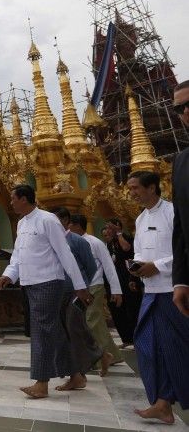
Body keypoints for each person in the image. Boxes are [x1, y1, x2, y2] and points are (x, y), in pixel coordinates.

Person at [0, 185, 92, 400]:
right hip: (30, 283)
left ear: (24, 199)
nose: (11, 202)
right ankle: (76, 375)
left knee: (41, 332)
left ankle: (41, 382)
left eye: (13, 198)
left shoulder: (48, 220)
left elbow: (64, 253)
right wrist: (9, 275)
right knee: (53, 330)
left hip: (48, 281)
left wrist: (79, 284)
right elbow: (18, 255)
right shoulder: (22, 223)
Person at [127, 170, 189, 424]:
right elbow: (140, 253)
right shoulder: (140, 219)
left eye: (135, 188)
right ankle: (162, 402)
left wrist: (159, 266)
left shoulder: (173, 212)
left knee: (177, 347)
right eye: (130, 188)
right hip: (151, 292)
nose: (131, 193)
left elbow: (184, 249)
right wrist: (137, 267)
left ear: (152, 187)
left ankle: (165, 401)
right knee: (147, 345)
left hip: (173, 291)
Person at [51, 207, 103, 391]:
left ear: (65, 220)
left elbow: (90, 266)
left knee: (73, 328)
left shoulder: (77, 241)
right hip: (59, 291)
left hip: (77, 292)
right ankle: (98, 356)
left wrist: (83, 285)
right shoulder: (52, 240)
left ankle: (79, 373)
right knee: (70, 330)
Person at [68, 213, 124, 372]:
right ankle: (111, 355)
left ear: (76, 225)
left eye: (69, 225)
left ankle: (100, 358)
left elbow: (108, 266)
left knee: (92, 320)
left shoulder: (94, 242)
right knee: (88, 322)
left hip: (94, 286)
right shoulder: (70, 242)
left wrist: (116, 290)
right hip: (79, 288)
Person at [103, 217, 141, 346]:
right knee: (117, 310)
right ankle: (126, 338)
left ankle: (137, 338)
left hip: (128, 278)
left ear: (118, 227)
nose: (108, 230)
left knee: (132, 309)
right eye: (107, 228)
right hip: (114, 281)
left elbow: (126, 249)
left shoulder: (126, 238)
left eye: (110, 227)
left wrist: (119, 233)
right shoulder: (109, 243)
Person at [170, 80, 189, 318]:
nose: (186, 111)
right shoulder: (181, 162)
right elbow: (181, 227)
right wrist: (181, 280)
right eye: (179, 108)